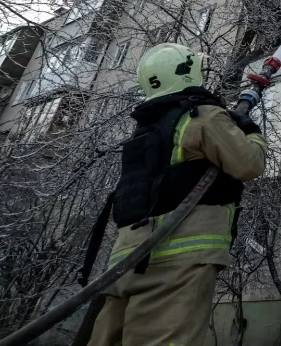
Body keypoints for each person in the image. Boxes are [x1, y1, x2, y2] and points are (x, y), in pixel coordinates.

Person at [88, 43, 267, 346]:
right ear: (187, 72)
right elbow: (249, 164)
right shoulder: (203, 116)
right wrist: (250, 130)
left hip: (125, 261)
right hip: (177, 261)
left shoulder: (148, 129)